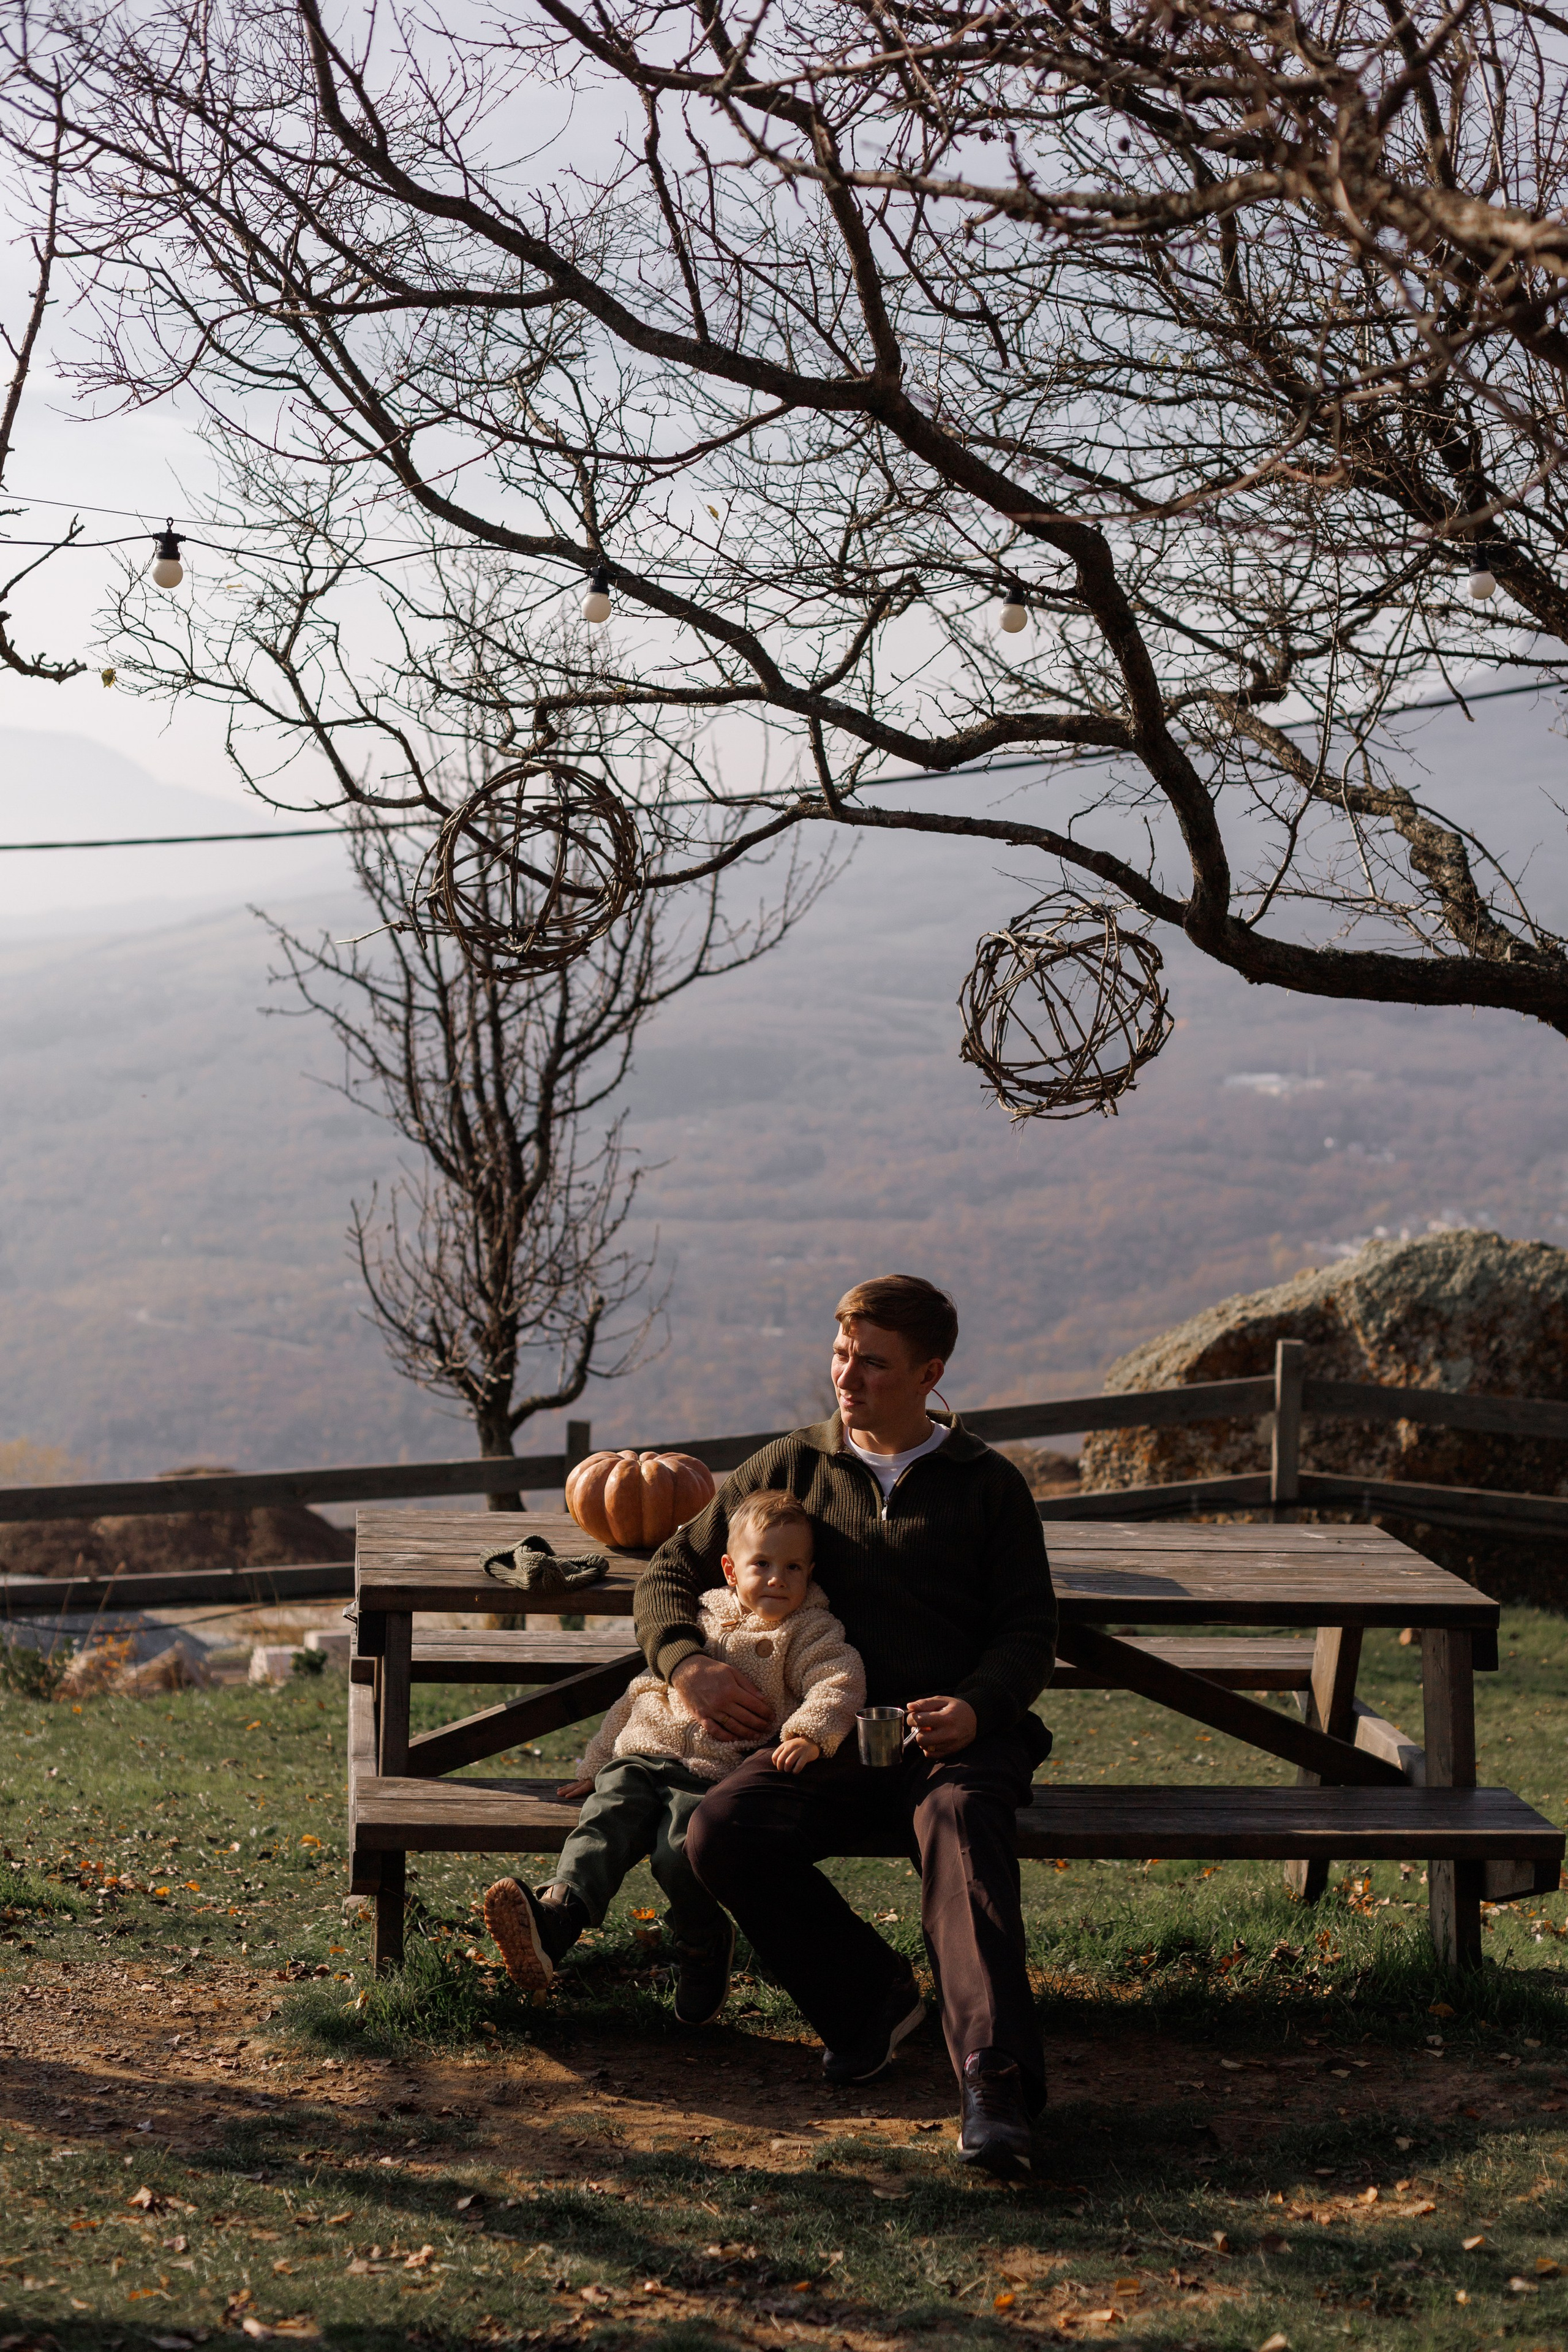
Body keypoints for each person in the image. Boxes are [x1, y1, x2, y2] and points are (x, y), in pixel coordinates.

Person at [636, 1273, 1057, 2179]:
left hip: (957, 1740)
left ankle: (996, 2085)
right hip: (823, 1735)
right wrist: (690, 1663)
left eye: (873, 1362)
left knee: (964, 1837)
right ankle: (870, 2005)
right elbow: (669, 1569)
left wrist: (978, 1707)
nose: (847, 1376)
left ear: (930, 1370)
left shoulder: (988, 1487)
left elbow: (1030, 1631)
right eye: (840, 1354)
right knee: (721, 1830)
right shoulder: (790, 1466)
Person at [483, 1489, 864, 2026]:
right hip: (644, 1757)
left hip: (715, 1773)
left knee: (677, 1853)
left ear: (811, 1571)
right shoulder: (700, 1621)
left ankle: (702, 1946)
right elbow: (640, 1693)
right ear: (731, 1569)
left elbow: (839, 1680)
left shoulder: (809, 1632)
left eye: (793, 1567)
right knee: (604, 1819)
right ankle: (556, 1918)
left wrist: (808, 1733)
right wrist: (594, 1767)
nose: (778, 1578)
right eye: (763, 1565)